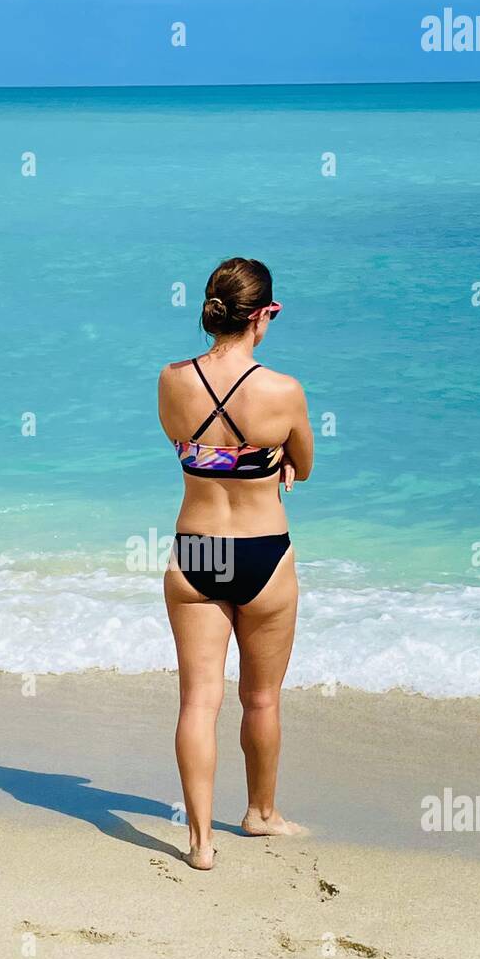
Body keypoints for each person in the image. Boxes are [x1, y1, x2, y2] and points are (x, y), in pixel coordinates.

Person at [158, 257, 314, 870]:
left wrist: (233, 457)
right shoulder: (284, 391)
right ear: (263, 316)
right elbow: (304, 463)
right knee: (261, 700)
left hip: (193, 552)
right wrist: (273, 461)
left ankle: (199, 841)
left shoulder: (171, 380)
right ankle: (261, 814)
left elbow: (192, 450)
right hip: (262, 555)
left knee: (198, 701)